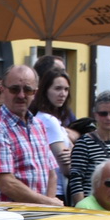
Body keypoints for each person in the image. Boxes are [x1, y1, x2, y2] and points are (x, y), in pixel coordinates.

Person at [0, 65, 60, 205]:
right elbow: (6, 184)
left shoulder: (38, 125)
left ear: (35, 93)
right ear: (3, 90)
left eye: (28, 90)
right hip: (8, 218)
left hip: (37, 215)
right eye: (14, 89)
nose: (21, 95)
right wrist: (47, 203)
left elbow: (51, 173)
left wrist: (47, 207)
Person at [68, 90, 110, 207]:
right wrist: (82, 208)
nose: (108, 118)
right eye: (103, 113)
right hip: (90, 206)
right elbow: (76, 179)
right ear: (95, 114)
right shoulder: (85, 142)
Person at [28, 68, 74, 200]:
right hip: (56, 190)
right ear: (45, 90)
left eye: (66, 89)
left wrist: (73, 152)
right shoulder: (48, 120)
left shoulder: (47, 119)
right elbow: (67, 167)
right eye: (58, 88)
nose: (63, 94)